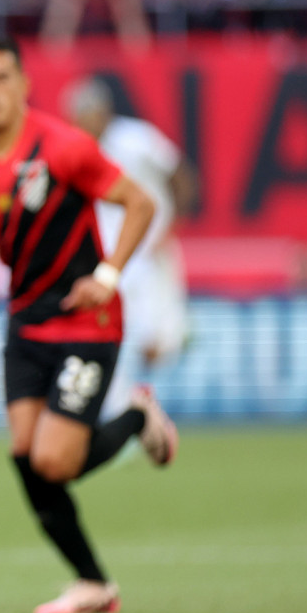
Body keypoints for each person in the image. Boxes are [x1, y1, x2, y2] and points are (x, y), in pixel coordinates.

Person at [0, 37, 176, 613]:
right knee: (27, 456)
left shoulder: (66, 147)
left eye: (2, 78)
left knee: (54, 463)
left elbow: (141, 205)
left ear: (24, 84)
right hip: (26, 325)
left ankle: (137, 416)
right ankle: (92, 584)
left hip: (88, 321)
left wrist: (108, 275)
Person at [64, 76, 195, 425]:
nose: (82, 121)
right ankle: (126, 416)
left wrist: (172, 224)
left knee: (158, 342)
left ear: (102, 111)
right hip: (113, 257)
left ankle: (150, 410)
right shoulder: (76, 150)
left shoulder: (136, 139)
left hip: (150, 250)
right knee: (116, 336)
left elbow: (180, 173)